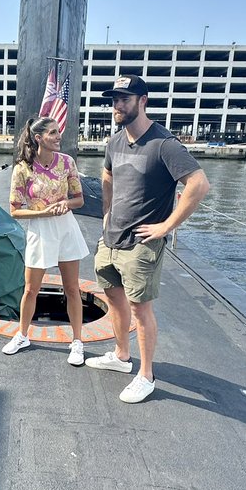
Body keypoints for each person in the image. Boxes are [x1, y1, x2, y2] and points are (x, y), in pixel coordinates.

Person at [86, 75, 211, 403]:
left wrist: (166, 226)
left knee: (141, 310)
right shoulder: (114, 142)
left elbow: (198, 185)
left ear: (143, 101)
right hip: (111, 239)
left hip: (141, 244)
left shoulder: (164, 144)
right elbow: (107, 177)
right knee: (113, 299)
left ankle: (147, 374)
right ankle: (122, 356)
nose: (117, 105)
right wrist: (106, 215)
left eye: (125, 99)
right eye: (114, 99)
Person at [2, 115, 90, 365]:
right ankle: (22, 335)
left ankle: (77, 342)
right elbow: (15, 210)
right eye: (52, 133)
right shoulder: (22, 169)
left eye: (58, 131)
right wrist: (44, 211)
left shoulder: (67, 162)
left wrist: (65, 204)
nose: (58, 136)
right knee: (31, 289)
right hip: (40, 229)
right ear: (38, 138)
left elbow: (79, 200)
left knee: (72, 289)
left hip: (65, 229)